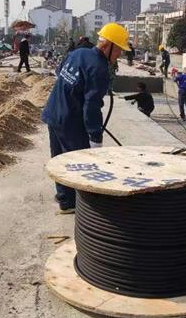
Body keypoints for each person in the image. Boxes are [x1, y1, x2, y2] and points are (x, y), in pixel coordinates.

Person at [41, 22, 130, 213]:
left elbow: (59, 73)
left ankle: (65, 200)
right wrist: (95, 137)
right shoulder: (99, 68)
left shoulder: (78, 53)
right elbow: (92, 106)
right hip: (70, 120)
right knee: (80, 162)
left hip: (53, 112)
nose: (119, 56)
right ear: (107, 45)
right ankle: (81, 205)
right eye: (118, 51)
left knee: (58, 158)